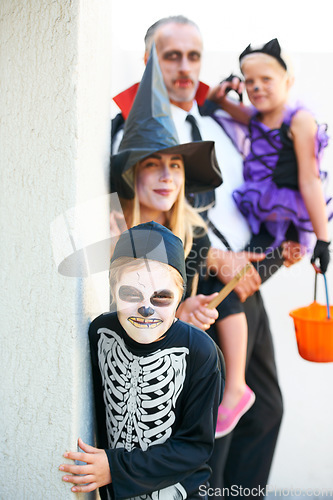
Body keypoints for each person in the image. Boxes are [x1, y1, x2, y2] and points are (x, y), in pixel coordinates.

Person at [111, 16, 304, 496]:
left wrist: (278, 252)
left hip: (245, 281)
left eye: (192, 56)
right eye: (170, 55)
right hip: (196, 287)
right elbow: (140, 223)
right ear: (147, 61)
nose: (184, 67)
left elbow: (252, 195)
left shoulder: (213, 119)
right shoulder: (128, 128)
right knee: (213, 427)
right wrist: (212, 263)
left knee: (265, 411)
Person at [59, 221, 224, 498]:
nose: (146, 309)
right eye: (131, 294)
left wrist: (114, 467)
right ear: (113, 290)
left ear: (180, 297)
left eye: (161, 297)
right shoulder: (101, 334)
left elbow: (195, 447)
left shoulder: (200, 351)